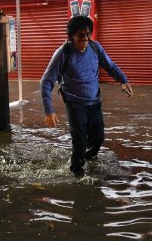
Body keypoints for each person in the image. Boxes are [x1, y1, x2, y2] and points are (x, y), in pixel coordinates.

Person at [40, 15, 133, 176]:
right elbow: (46, 82)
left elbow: (110, 66)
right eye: (81, 36)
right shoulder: (63, 53)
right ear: (71, 36)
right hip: (75, 104)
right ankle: (77, 173)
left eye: (88, 34)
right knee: (80, 141)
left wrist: (123, 80)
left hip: (95, 102)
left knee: (98, 138)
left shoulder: (96, 48)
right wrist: (49, 111)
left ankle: (88, 159)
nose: (85, 39)